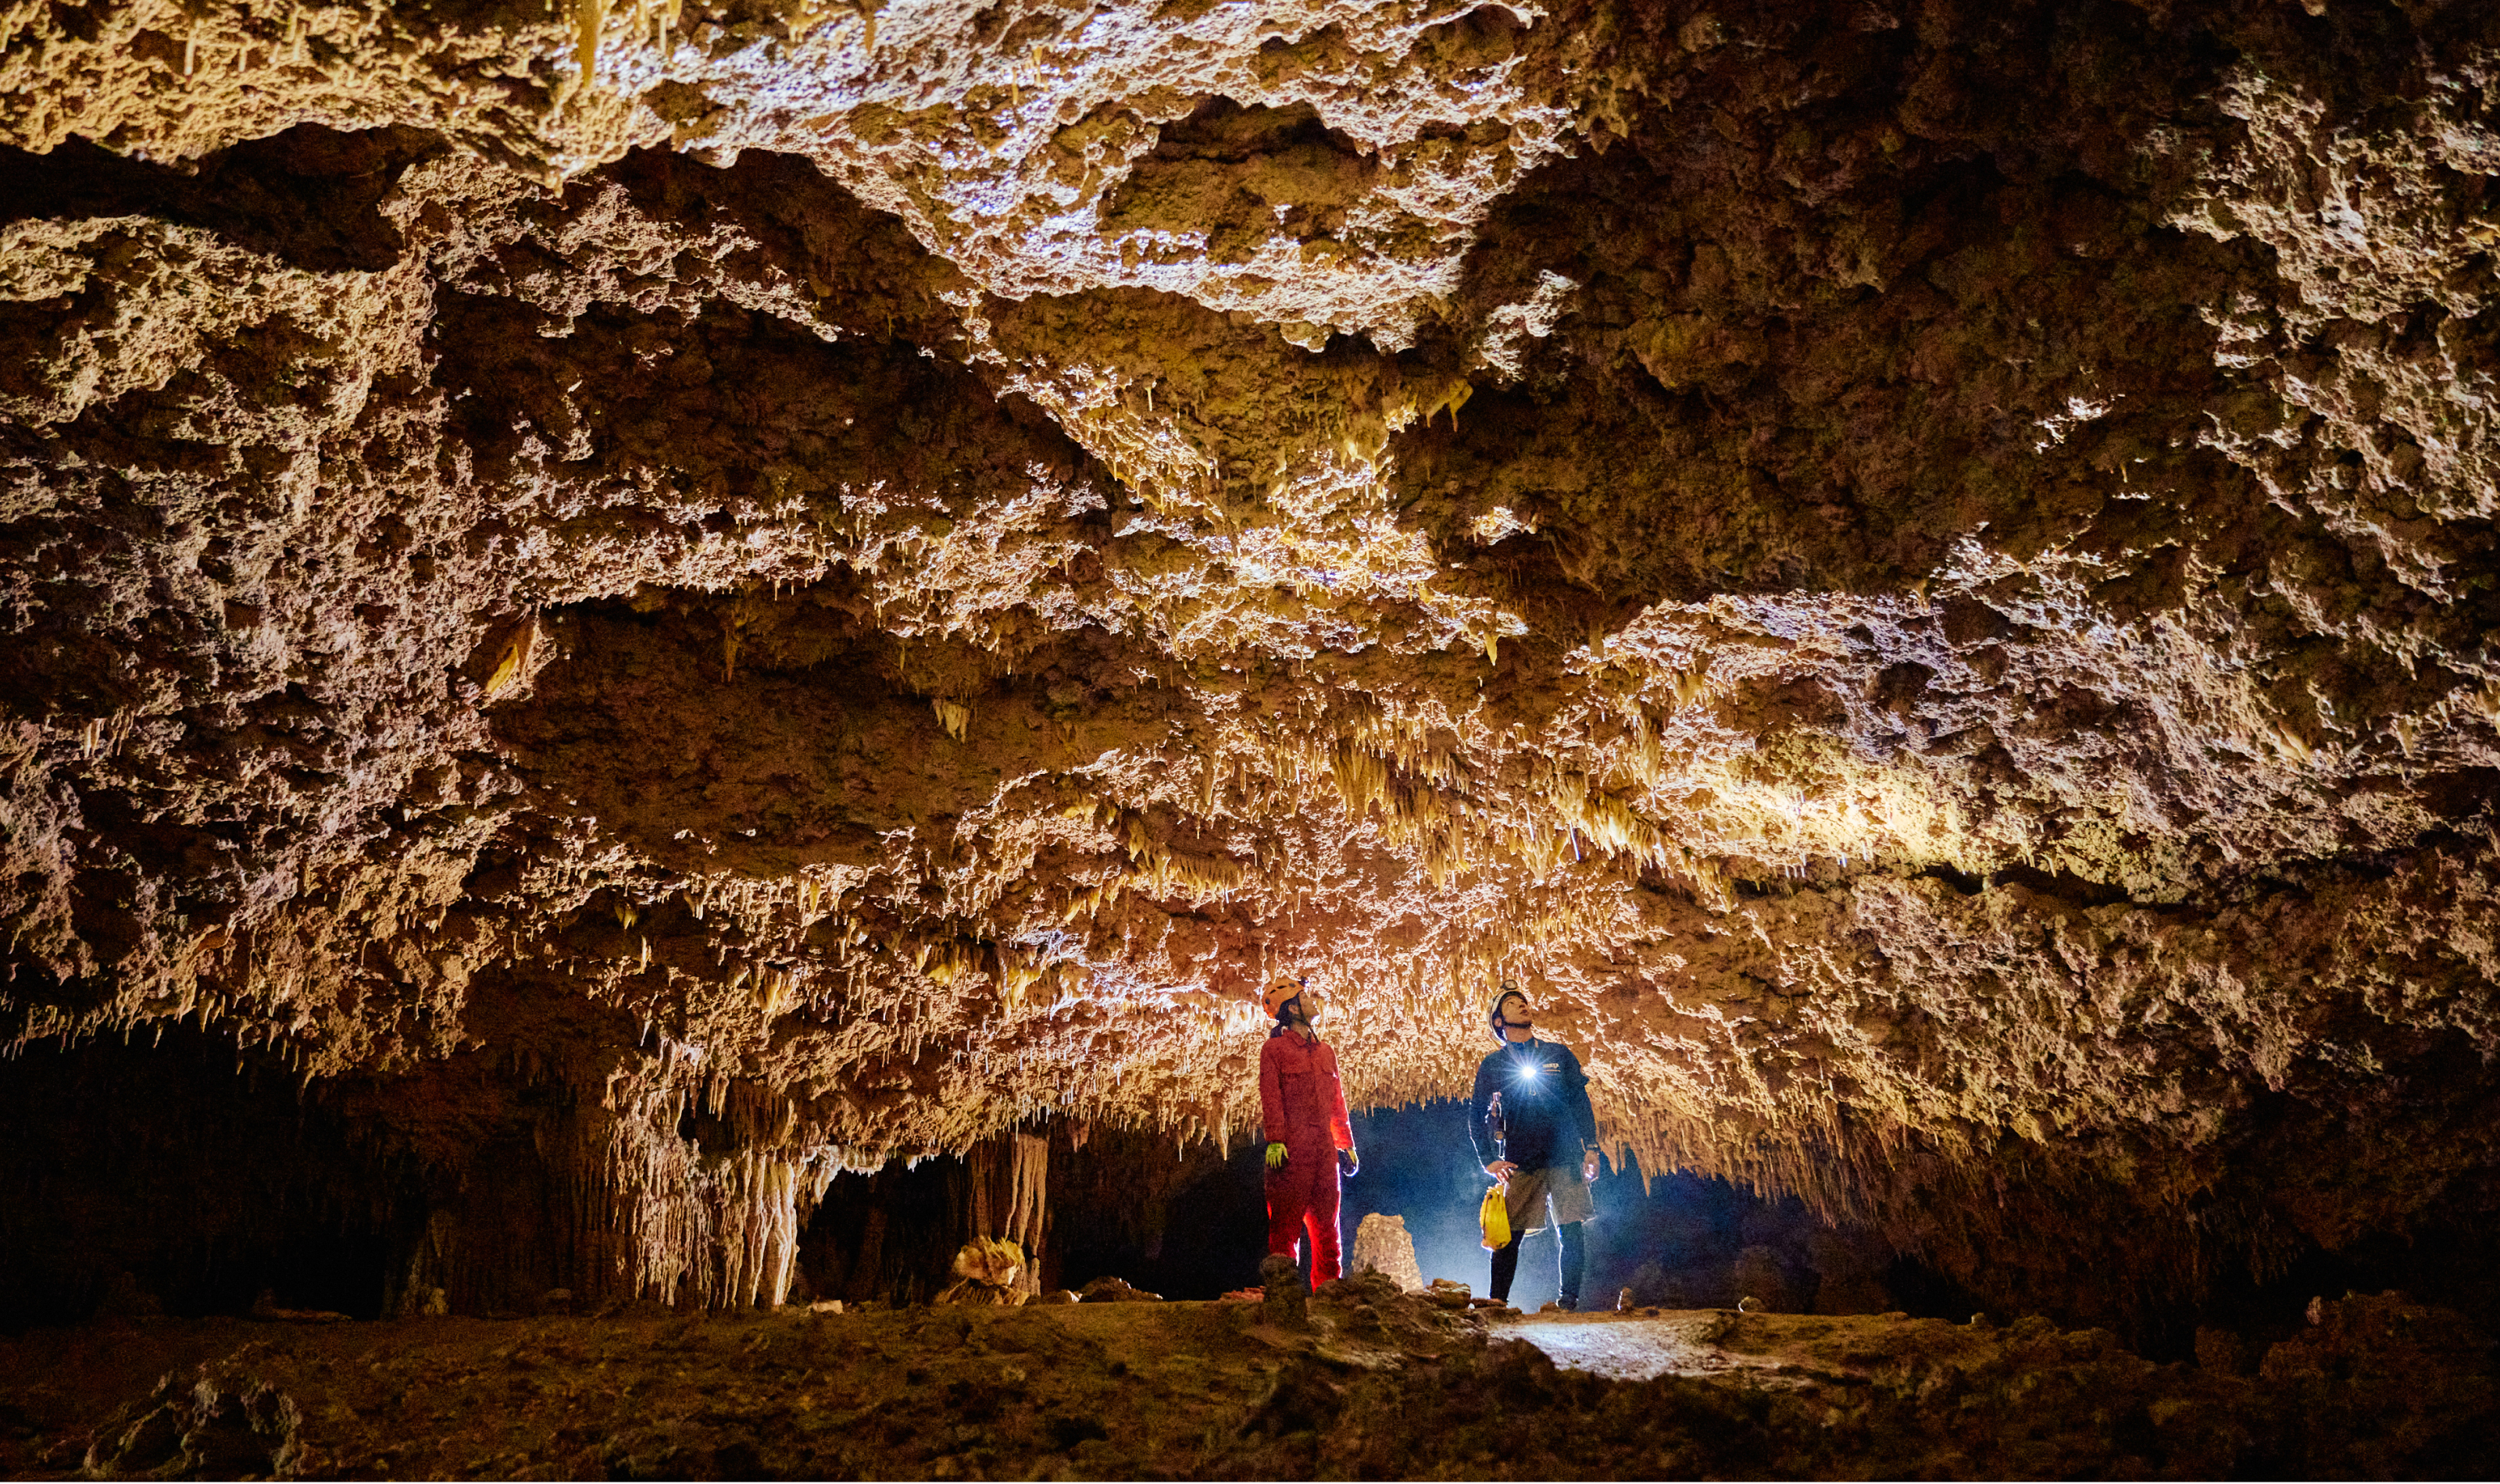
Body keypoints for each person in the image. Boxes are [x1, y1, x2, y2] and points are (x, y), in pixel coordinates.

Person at [1470, 983, 1600, 1310]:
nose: (1523, 1005)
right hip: (1521, 1160)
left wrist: (1592, 1146)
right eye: (1513, 1004)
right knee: (1508, 1234)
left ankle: (1568, 1301)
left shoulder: (1558, 1054)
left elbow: (1580, 1102)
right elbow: (1475, 1114)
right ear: (1499, 1021)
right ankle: (1498, 1300)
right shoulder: (1494, 1065)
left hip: (1565, 1155)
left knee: (1571, 1229)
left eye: (1524, 1001)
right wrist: (1488, 1159)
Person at [1258, 976, 1357, 1289]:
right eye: (1306, 996)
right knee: (1285, 1228)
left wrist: (1346, 1144)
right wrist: (1275, 1140)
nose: (1313, 1001)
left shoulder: (1326, 1052)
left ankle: (1329, 1297)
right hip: (1291, 1151)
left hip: (1325, 1152)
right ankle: (1282, 1297)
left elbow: (1336, 1101)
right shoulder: (1274, 1050)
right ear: (1292, 1007)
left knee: (1328, 1229)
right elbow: (1270, 1095)